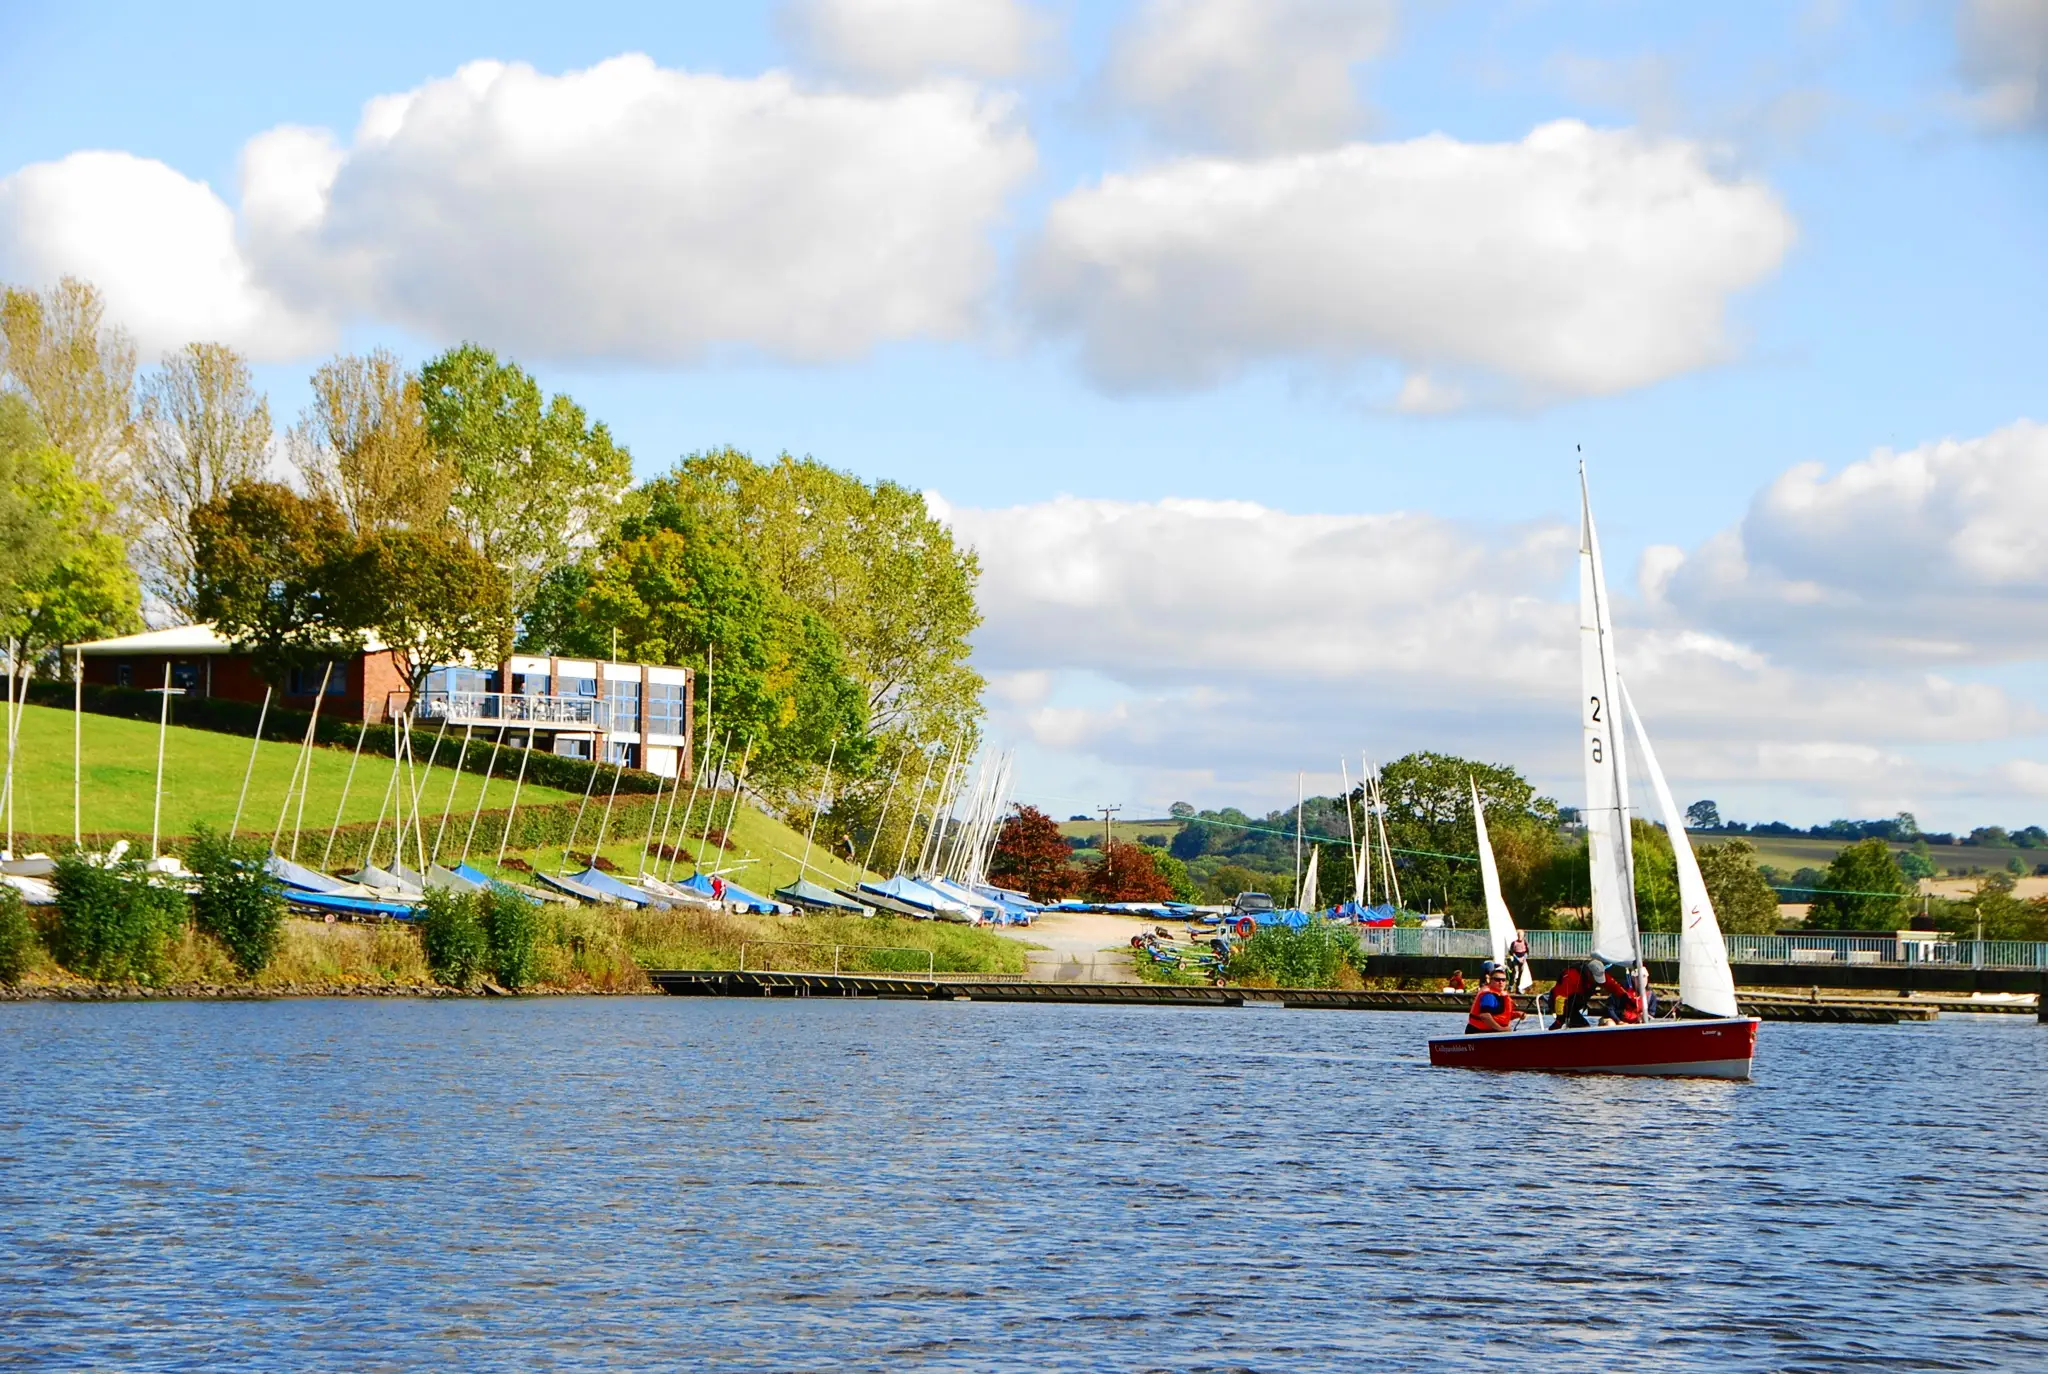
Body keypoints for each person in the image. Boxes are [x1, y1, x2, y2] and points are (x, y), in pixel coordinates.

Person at [1464, 967, 1525, 1034]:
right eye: (1497, 980)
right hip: (1479, 1032)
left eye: (1503, 980)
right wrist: (1500, 1029)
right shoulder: (1488, 996)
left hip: (1492, 1032)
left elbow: (1500, 1015)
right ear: (1490, 980)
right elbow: (1484, 1016)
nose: (1500, 982)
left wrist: (1517, 1014)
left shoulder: (1501, 995)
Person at [1549, 957, 1604, 1029]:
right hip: (1559, 1003)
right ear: (1589, 973)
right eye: (1595, 978)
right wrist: (1559, 1020)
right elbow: (1560, 999)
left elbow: (1613, 986)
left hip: (1574, 1005)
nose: (1596, 981)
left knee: (1583, 1025)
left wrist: (1622, 996)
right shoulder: (1572, 976)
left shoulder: (1597, 975)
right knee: (1583, 1026)